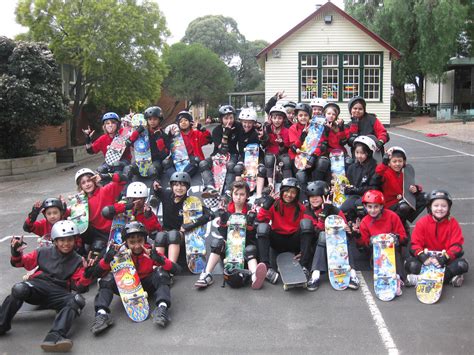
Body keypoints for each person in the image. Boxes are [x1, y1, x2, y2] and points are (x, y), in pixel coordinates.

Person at [0, 220, 95, 352]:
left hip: (59, 293)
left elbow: (80, 287)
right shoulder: (42, 251)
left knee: (76, 300)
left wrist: (87, 274)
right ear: (55, 241)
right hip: (38, 286)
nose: (66, 244)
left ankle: (55, 336)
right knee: (19, 289)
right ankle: (1, 324)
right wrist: (16, 253)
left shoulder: (78, 260)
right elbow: (21, 263)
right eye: (61, 240)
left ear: (75, 240)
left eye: (69, 240)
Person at [90, 221, 180, 334]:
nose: (137, 246)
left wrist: (159, 259)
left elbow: (176, 270)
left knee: (161, 272)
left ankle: (162, 308)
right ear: (126, 242)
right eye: (132, 242)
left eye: (140, 241)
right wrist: (107, 260)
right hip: (126, 287)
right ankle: (102, 315)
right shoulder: (118, 253)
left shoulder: (149, 251)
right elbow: (95, 273)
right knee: (106, 278)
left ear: (145, 240)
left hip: (147, 285)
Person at [194, 181, 266, 289]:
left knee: (250, 249)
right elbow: (223, 234)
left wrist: (250, 223)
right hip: (230, 249)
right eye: (236, 194)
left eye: (242, 194)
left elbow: (252, 236)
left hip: (244, 248)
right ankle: (206, 274)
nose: (238, 197)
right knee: (217, 243)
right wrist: (223, 222)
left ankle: (255, 277)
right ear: (232, 194)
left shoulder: (251, 210)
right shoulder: (226, 210)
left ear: (247, 195)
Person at [302, 181, 360, 291]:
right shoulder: (307, 211)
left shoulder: (334, 210)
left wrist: (349, 230)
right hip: (317, 248)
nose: (314, 200)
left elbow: (345, 229)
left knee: (344, 237)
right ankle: (315, 275)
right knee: (323, 235)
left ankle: (352, 274)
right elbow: (317, 232)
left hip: (337, 247)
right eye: (311, 197)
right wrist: (324, 213)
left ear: (325, 197)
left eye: (317, 197)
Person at [405, 190, 469, 287]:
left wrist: (444, 258)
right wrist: (423, 257)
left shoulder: (453, 223)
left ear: (448, 208)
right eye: (436, 206)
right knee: (410, 264)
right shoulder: (422, 222)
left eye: (444, 206)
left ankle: (420, 279)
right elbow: (414, 245)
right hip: (427, 260)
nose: (440, 209)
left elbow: (457, 246)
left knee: (462, 265)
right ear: (430, 207)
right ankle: (449, 279)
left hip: (445, 261)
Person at [352, 190, 407, 295]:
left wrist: (396, 237)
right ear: (365, 207)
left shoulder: (392, 216)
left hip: (393, 251)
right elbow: (362, 245)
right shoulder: (365, 222)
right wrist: (358, 235)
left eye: (376, 207)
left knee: (393, 250)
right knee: (379, 254)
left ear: (381, 206)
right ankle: (383, 277)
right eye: (370, 207)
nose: (373, 210)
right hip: (375, 253)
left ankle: (398, 278)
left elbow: (404, 238)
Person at [152, 172, 213, 264]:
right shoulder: (166, 195)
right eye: (176, 185)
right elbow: (157, 190)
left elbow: (210, 214)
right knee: (160, 236)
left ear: (187, 187)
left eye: (182, 185)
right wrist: (155, 185)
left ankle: (171, 266)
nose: (179, 188)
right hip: (166, 232)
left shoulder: (191, 202)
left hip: (182, 235)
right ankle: (158, 266)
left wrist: (190, 225)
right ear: (172, 186)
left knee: (173, 235)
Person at [256, 178, 306, 284]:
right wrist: (266, 205)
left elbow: (309, 228)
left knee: (307, 225)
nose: (289, 195)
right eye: (287, 191)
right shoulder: (274, 204)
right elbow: (260, 219)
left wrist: (303, 251)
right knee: (262, 228)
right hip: (277, 240)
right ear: (282, 192)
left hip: (293, 241)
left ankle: (305, 265)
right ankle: (266, 268)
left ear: (297, 195)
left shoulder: (301, 208)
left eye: (293, 192)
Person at [74, 168, 128, 255]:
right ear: (80, 187)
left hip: (113, 230)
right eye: (83, 183)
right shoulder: (81, 201)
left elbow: (123, 180)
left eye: (89, 181)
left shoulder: (105, 191)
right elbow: (71, 214)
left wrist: (105, 176)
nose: (87, 184)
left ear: (94, 180)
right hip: (97, 234)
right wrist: (62, 206)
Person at [375, 146, 426, 224]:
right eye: (394, 161)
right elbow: (377, 176)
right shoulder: (385, 173)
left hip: (402, 202)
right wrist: (383, 163)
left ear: (404, 162)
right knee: (404, 207)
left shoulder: (403, 174)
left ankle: (405, 219)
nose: (398, 164)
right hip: (389, 205)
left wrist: (416, 189)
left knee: (425, 197)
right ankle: (398, 223)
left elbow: (410, 187)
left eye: (400, 161)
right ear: (389, 163)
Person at [199, 105, 243, 195]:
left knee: (230, 165)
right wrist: (226, 134)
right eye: (226, 118)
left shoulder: (237, 126)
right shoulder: (216, 130)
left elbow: (248, 127)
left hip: (232, 153)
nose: (229, 121)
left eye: (231, 118)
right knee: (203, 164)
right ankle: (210, 187)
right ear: (221, 119)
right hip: (218, 154)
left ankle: (228, 190)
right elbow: (223, 150)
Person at [125, 106, 171, 182]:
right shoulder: (142, 134)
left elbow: (165, 154)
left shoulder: (163, 135)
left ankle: (155, 188)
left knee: (152, 170)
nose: (152, 121)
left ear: (159, 120)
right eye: (150, 119)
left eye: (155, 119)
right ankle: (125, 191)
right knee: (128, 169)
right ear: (147, 120)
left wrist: (159, 140)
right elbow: (128, 143)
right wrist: (137, 132)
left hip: (155, 161)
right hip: (141, 161)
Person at [340, 136, 380, 223]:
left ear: (368, 153)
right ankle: (352, 228)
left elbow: (373, 188)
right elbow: (348, 183)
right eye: (357, 152)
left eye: (362, 153)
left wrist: (356, 189)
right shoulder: (352, 167)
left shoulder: (374, 168)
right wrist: (346, 188)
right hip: (355, 195)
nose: (359, 156)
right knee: (343, 209)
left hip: (370, 196)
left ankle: (365, 227)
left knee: (359, 207)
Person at [164, 110, 211, 178]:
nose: (183, 122)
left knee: (196, 160)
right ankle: (174, 179)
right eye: (181, 121)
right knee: (165, 162)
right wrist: (169, 137)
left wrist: (202, 129)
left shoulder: (196, 133)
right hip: (179, 159)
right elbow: (167, 148)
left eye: (185, 120)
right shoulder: (176, 136)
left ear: (190, 122)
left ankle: (181, 178)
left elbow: (208, 139)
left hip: (193, 160)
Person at [233, 108, 267, 196]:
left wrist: (263, 138)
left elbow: (264, 142)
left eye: (250, 123)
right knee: (237, 169)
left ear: (254, 123)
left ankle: (259, 195)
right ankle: (237, 192)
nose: (247, 125)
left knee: (261, 170)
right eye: (244, 122)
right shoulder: (238, 130)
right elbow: (229, 123)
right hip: (243, 156)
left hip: (257, 157)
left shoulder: (257, 132)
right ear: (241, 122)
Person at [263, 104, 292, 189]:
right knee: (269, 159)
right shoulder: (267, 129)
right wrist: (263, 138)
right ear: (271, 118)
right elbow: (264, 144)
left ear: (283, 119)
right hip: (270, 152)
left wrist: (281, 144)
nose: (277, 120)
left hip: (282, 152)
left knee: (286, 161)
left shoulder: (286, 131)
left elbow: (286, 147)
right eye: (274, 118)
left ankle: (287, 182)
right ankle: (270, 183)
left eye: (279, 118)